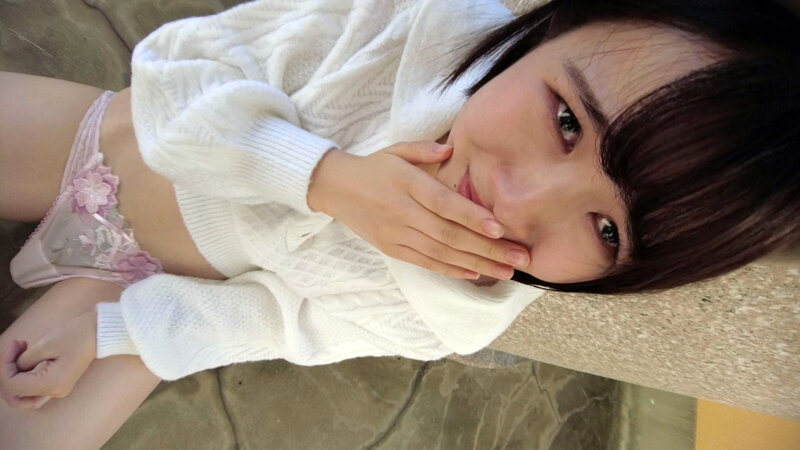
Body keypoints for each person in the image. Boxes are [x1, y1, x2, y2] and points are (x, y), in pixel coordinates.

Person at [1, 0, 798, 446]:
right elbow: (177, 69)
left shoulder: (459, 305)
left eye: (608, 231)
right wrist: (323, 177)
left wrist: (120, 331)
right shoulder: (416, 27)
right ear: (559, 28)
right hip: (103, 147)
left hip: (155, 281)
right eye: (565, 120)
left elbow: (283, 319)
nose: (518, 200)